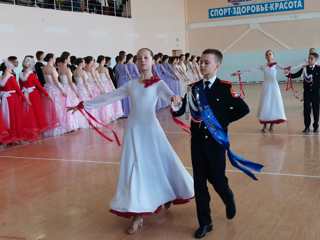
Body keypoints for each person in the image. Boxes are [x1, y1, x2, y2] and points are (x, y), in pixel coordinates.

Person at [68, 48, 194, 235]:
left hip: (151, 130)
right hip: (134, 131)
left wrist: (176, 100)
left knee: (161, 164)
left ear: (152, 61)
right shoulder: (131, 84)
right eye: (139, 58)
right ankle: (138, 214)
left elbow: (173, 101)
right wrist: (84, 105)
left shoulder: (159, 83)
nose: (142, 60)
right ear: (135, 62)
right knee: (135, 168)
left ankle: (167, 193)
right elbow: (110, 96)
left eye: (146, 57)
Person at [172, 49, 262, 239]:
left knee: (218, 180)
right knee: (199, 184)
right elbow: (181, 111)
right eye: (201, 62)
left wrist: (222, 121)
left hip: (216, 143)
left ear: (217, 65)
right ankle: (205, 222)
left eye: (206, 62)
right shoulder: (193, 87)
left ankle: (228, 197)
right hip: (196, 143)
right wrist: (175, 105)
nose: (202, 65)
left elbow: (243, 109)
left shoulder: (225, 87)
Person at [287, 52, 320, 133]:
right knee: (306, 110)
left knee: (316, 110)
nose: (309, 60)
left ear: (315, 60)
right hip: (307, 93)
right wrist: (288, 74)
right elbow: (296, 75)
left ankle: (315, 126)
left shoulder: (319, 68)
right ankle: (307, 127)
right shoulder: (304, 68)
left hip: (316, 93)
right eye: (309, 58)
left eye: (311, 58)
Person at [257, 50, 287, 132]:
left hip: (274, 87)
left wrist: (288, 70)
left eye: (270, 54)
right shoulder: (264, 66)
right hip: (266, 87)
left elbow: (285, 69)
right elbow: (252, 69)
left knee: (274, 104)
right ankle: (264, 125)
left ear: (273, 56)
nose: (268, 56)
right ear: (265, 57)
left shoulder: (276, 65)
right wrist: (240, 72)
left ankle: (272, 126)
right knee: (266, 105)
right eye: (267, 54)